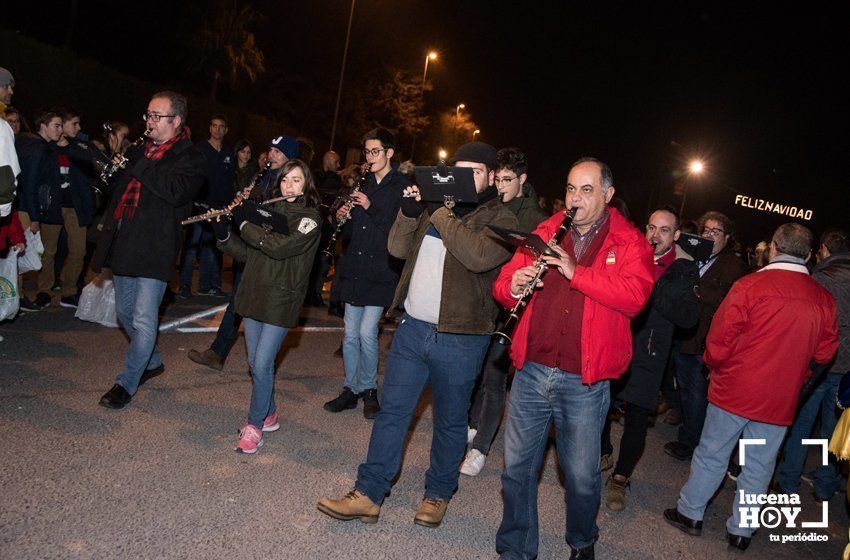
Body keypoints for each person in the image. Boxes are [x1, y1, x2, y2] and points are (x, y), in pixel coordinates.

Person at [317, 141, 518, 528]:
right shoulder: (434, 207)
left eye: (474, 172)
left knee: (450, 420)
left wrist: (437, 210)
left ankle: (438, 494)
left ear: (492, 177)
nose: (462, 179)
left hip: (461, 337)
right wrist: (409, 214)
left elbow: (476, 256)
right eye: (458, 171)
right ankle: (369, 492)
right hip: (412, 329)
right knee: (392, 413)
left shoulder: (501, 217)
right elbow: (396, 247)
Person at [492, 157, 654, 560]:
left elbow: (635, 297)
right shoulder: (547, 230)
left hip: (584, 378)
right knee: (516, 470)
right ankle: (516, 546)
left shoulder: (629, 242)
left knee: (581, 478)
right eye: (570, 188)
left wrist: (575, 271)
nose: (575, 198)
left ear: (608, 195)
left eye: (586, 190)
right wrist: (513, 284)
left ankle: (582, 541)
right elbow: (502, 286)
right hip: (531, 369)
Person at [664, 223, 838, 552]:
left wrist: (713, 365)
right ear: (810, 255)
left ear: (773, 247)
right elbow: (826, 353)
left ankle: (690, 513)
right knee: (759, 465)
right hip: (779, 399)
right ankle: (742, 530)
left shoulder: (751, 286)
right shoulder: (823, 300)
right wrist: (800, 381)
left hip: (735, 389)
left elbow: (720, 338)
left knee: (712, 454)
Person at [95, 91, 206, 409]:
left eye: (157, 116)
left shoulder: (191, 157)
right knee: (124, 314)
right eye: (148, 115)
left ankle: (126, 383)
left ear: (177, 121)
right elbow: (121, 192)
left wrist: (141, 163)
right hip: (127, 240)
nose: (150, 122)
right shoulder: (138, 151)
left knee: (144, 320)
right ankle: (152, 360)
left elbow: (174, 192)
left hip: (157, 245)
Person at [211, 159, 321, 453]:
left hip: (280, 299)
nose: (289, 186)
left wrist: (245, 223)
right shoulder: (268, 212)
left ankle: (255, 425)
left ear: (306, 184)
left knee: (261, 364)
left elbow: (278, 247)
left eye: (296, 180)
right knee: (255, 364)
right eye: (285, 180)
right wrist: (224, 233)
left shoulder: (310, 219)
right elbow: (251, 253)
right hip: (255, 294)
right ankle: (269, 414)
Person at [600, 207, 699, 511]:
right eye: (652, 228)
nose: (656, 235)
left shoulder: (684, 268)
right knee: (602, 402)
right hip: (617, 342)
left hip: (651, 353)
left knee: (636, 419)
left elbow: (688, 317)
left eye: (665, 230)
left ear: (677, 235)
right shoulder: (631, 253)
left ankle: (621, 477)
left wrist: (650, 286)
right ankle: (603, 450)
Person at [462, 146, 547, 476]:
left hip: (513, 307)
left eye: (508, 179)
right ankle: (473, 423)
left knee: (495, 377)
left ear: (523, 180)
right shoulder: (491, 205)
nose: (500, 185)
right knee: (479, 372)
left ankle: (481, 448)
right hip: (486, 298)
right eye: (497, 178)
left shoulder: (536, 219)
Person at [186, 134, 296, 372]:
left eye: (277, 152)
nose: (271, 155)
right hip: (249, 246)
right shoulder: (263, 179)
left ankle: (263, 361)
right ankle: (218, 352)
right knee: (237, 299)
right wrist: (240, 205)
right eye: (271, 150)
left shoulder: (290, 183)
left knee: (263, 306)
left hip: (268, 251)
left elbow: (279, 220)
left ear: (289, 157)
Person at [323, 129, 407, 420]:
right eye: (367, 152)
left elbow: (398, 232)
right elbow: (348, 233)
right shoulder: (361, 183)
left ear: (389, 153)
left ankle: (369, 389)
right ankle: (351, 389)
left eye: (375, 152)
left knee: (367, 334)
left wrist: (370, 208)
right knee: (349, 335)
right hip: (354, 267)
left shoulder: (401, 186)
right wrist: (342, 217)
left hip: (381, 269)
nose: (369, 158)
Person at [664, 211, 748, 462]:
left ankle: (691, 442)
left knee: (697, 392)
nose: (709, 236)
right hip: (684, 333)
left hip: (707, 339)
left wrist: (698, 290)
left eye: (715, 232)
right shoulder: (693, 256)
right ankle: (687, 431)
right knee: (685, 389)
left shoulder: (735, 266)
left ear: (727, 237)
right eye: (705, 231)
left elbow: (730, 303)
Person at [776, 228, 850, 501]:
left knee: (803, 424)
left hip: (821, 364)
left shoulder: (820, 278)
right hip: (847, 372)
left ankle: (788, 482)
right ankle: (825, 485)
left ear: (824, 251)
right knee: (834, 432)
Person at [34, 105, 97, 308]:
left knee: (78, 250)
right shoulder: (46, 147)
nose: (78, 128)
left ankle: (69, 291)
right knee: (48, 251)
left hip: (75, 206)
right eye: (74, 124)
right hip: (53, 206)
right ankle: (44, 290)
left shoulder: (79, 148)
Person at [178, 114, 235, 298]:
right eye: (214, 126)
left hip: (219, 209)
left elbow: (229, 181)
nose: (217, 129)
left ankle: (206, 285)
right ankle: (184, 285)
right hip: (200, 207)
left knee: (212, 248)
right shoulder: (200, 149)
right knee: (192, 246)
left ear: (226, 130)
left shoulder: (228, 153)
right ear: (209, 128)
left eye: (221, 126)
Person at [0, 67, 18, 218]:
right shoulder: (2, 126)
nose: (11, 91)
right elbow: (5, 169)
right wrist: (4, 208)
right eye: (7, 86)